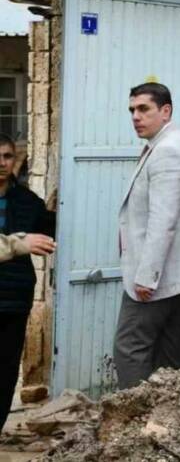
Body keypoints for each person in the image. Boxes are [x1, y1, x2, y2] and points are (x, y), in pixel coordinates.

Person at [114, 83, 180, 389]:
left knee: (130, 348)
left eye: (144, 109)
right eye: (132, 110)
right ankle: (167, 412)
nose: (135, 116)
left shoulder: (168, 151)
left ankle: (133, 413)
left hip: (158, 277)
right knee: (167, 351)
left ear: (165, 111)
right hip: (175, 275)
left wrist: (147, 276)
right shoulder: (170, 145)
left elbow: (163, 219)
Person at [0, 135, 54, 433]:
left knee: (7, 371)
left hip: (14, 300)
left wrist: (59, 210)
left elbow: (49, 231)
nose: (1, 163)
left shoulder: (28, 202)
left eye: (7, 156)